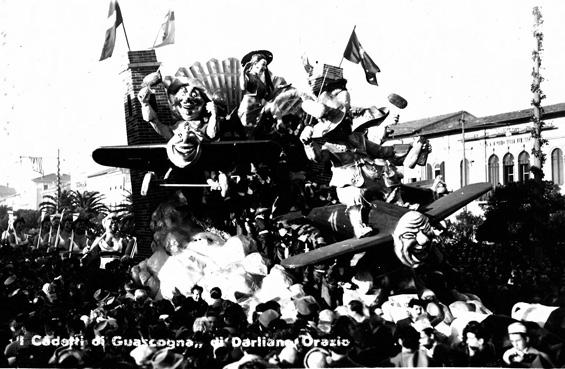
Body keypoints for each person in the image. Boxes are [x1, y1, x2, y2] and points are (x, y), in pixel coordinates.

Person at [300, 77, 430, 238]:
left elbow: (381, 151)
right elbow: (317, 158)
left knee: (389, 180)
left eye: (345, 120)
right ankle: (359, 226)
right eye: (340, 123)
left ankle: (401, 207)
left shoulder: (358, 138)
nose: (345, 123)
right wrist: (308, 144)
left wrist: (411, 149)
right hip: (350, 183)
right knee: (354, 198)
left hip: (372, 178)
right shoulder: (327, 145)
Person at [238, 50, 286, 128]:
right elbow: (243, 87)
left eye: (265, 65)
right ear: (255, 64)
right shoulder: (248, 75)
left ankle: (279, 123)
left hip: (258, 109)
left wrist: (279, 89)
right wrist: (243, 71)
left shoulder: (260, 81)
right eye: (263, 64)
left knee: (274, 105)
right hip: (248, 110)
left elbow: (268, 98)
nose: (265, 67)